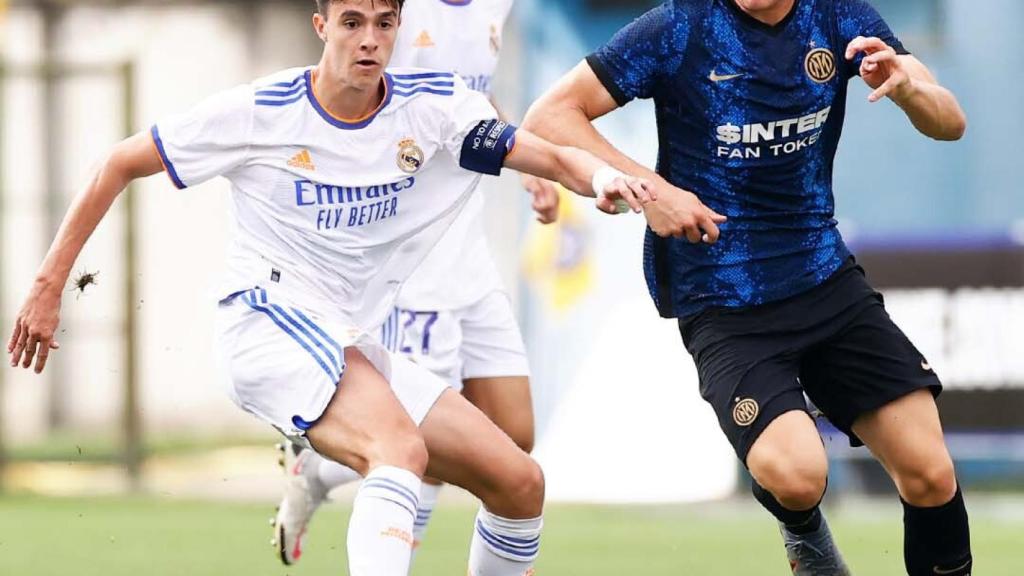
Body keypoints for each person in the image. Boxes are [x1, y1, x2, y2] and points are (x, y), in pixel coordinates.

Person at [6, 1, 651, 575]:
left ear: (400, 26)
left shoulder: (433, 108)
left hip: (349, 341)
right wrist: (46, 285)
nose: (369, 39)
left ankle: (321, 470)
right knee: (399, 451)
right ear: (321, 25)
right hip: (265, 320)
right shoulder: (262, 111)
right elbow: (116, 162)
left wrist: (603, 181)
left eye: (384, 23)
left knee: (519, 480)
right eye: (352, 22)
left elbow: (555, 156)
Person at [522, 0, 970, 575]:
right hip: (722, 298)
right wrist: (651, 191)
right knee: (800, 475)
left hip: (823, 278)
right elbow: (549, 116)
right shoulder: (679, 26)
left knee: (930, 472)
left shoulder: (838, 16)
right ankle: (802, 528)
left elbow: (949, 122)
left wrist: (910, 90)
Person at [271, 0, 562, 566]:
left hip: (468, 246)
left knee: (512, 440)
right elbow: (353, 93)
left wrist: (524, 162)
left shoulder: (495, 6)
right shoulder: (397, 11)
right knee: (415, 439)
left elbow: (469, 100)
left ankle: (320, 470)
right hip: (412, 255)